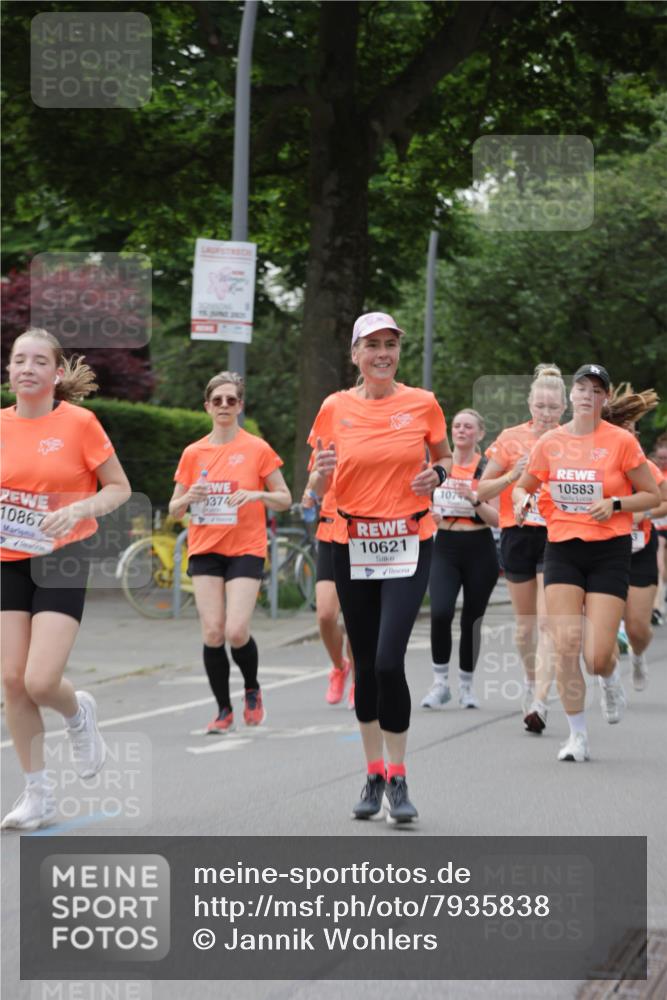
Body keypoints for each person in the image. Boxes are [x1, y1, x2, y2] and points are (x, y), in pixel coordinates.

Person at [309, 311, 451, 824]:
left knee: (390, 661)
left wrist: (435, 473)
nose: (383, 353)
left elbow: (448, 460)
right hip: (352, 543)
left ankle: (399, 775)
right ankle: (373, 773)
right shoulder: (334, 408)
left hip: (410, 541)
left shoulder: (422, 404)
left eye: (390, 344)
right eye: (372, 345)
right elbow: (315, 490)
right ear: (355, 355)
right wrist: (319, 481)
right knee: (366, 664)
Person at [1, 329, 131, 831]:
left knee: (40, 680)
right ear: (9, 371)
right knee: (13, 682)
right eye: (18, 360)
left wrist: (78, 506)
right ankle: (37, 796)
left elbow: (119, 488)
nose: (27, 368)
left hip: (63, 553)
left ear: (57, 374)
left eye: (39, 361)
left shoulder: (80, 423)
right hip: (7, 557)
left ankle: (78, 715)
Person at [513, 364, 660, 763]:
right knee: (565, 644)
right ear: (570, 395)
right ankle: (577, 736)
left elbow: (650, 495)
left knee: (596, 655)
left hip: (609, 551)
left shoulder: (621, 443)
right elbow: (525, 485)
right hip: (562, 548)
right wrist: (520, 500)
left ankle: (610, 678)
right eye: (581, 389)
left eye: (596, 391)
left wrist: (615, 504)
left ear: (605, 399)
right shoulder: (550, 442)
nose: (586, 396)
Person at [169, 372, 291, 734]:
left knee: (237, 630)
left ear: (240, 405)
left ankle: (251, 688)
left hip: (245, 548)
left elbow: (284, 498)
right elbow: (174, 508)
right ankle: (223, 709)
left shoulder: (257, 449)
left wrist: (258, 495)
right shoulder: (194, 453)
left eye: (231, 400)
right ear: (207, 407)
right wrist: (188, 498)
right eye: (217, 400)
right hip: (206, 548)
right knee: (212, 632)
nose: (224, 406)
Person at [477, 365, 567, 733]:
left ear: (564, 408)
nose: (545, 414)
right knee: (525, 628)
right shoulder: (510, 438)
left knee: (548, 623)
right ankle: (532, 681)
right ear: (529, 403)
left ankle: (539, 701)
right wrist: (513, 474)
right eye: (539, 406)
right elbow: (481, 491)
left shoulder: (574, 439)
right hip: (517, 534)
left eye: (552, 407)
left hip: (556, 536)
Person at [420, 409, 499, 711]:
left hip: (479, 547)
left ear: (480, 434)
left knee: (472, 620)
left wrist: (474, 499)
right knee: (440, 612)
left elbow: (497, 519)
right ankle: (440, 683)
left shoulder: (487, 469)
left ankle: (466, 684)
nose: (462, 431)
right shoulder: (437, 467)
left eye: (468, 427)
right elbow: (419, 506)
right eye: (457, 426)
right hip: (445, 545)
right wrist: (431, 514)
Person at [604, 385, 667, 690]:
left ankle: (639, 656)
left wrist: (642, 513)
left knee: (638, 628)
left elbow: (663, 500)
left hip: (640, 548)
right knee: (604, 627)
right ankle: (610, 681)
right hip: (603, 550)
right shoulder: (597, 464)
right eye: (621, 428)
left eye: (631, 430)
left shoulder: (647, 468)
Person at [301, 474, 354, 708]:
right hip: (329, 534)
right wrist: (309, 496)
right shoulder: (324, 439)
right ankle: (339, 667)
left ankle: (360, 680)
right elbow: (313, 484)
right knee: (325, 614)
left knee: (356, 616)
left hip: (360, 533)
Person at [650, 434, 667, 625]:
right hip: (658, 525)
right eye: (660, 458)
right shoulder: (652, 472)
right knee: (659, 562)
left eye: (666, 458)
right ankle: (657, 606)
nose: (663, 461)